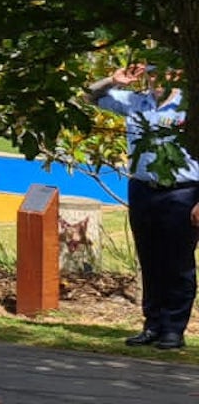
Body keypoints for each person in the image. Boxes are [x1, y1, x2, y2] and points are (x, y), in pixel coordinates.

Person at [84, 62, 199, 350]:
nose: (155, 79)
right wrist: (113, 80)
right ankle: (152, 325)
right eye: (150, 73)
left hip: (182, 192)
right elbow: (87, 96)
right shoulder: (135, 102)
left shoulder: (190, 107)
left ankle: (174, 329)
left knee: (178, 263)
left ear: (178, 73)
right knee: (150, 260)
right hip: (143, 189)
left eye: (162, 72)